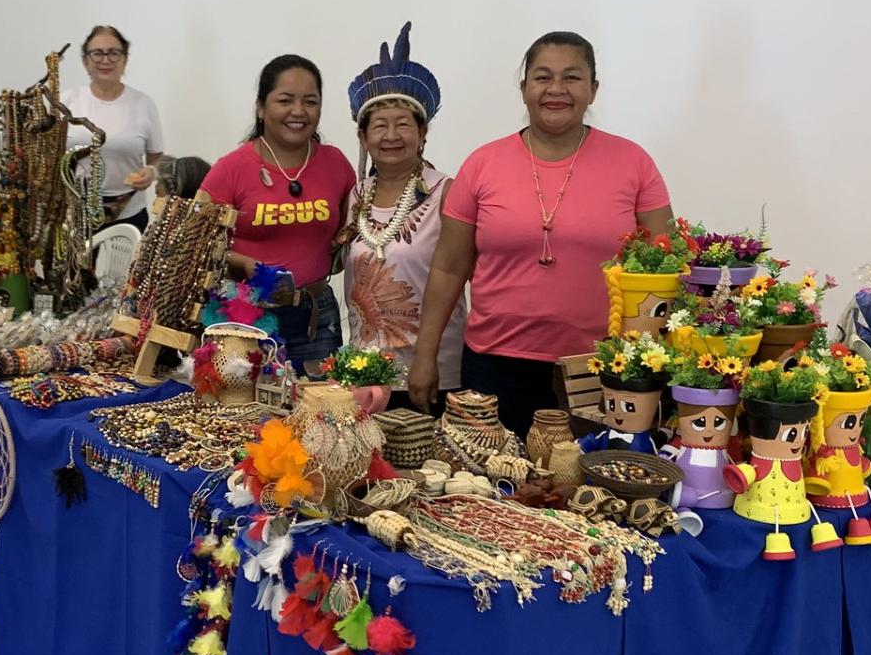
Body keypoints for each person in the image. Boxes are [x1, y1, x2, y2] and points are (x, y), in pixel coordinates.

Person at [408, 31, 675, 435]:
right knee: (493, 472)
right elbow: (448, 268)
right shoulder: (482, 164)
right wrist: (424, 355)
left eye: (572, 77)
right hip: (495, 364)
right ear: (524, 88)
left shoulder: (633, 163)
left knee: (593, 473)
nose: (556, 89)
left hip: (603, 366)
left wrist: (661, 359)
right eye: (543, 77)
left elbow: (665, 266)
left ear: (593, 90)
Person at [198, 54, 355, 372]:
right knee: (242, 403)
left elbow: (349, 230)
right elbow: (197, 244)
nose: (298, 111)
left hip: (315, 318)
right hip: (245, 319)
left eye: (310, 101)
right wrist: (244, 264)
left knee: (320, 401)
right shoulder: (230, 169)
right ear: (260, 107)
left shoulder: (335, 163)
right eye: (285, 100)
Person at [342, 23, 464, 402]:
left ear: (422, 132)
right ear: (363, 137)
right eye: (379, 126)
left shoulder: (447, 193)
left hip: (431, 370)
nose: (391, 136)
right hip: (365, 371)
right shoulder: (357, 195)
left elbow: (456, 273)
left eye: (403, 125)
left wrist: (427, 361)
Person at [61, 25, 167, 232]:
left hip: (128, 213)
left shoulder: (143, 104)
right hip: (73, 213)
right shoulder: (66, 102)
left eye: (114, 53)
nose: (106, 60)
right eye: (97, 53)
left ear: (124, 59)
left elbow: (157, 158)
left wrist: (151, 172)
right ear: (85, 61)